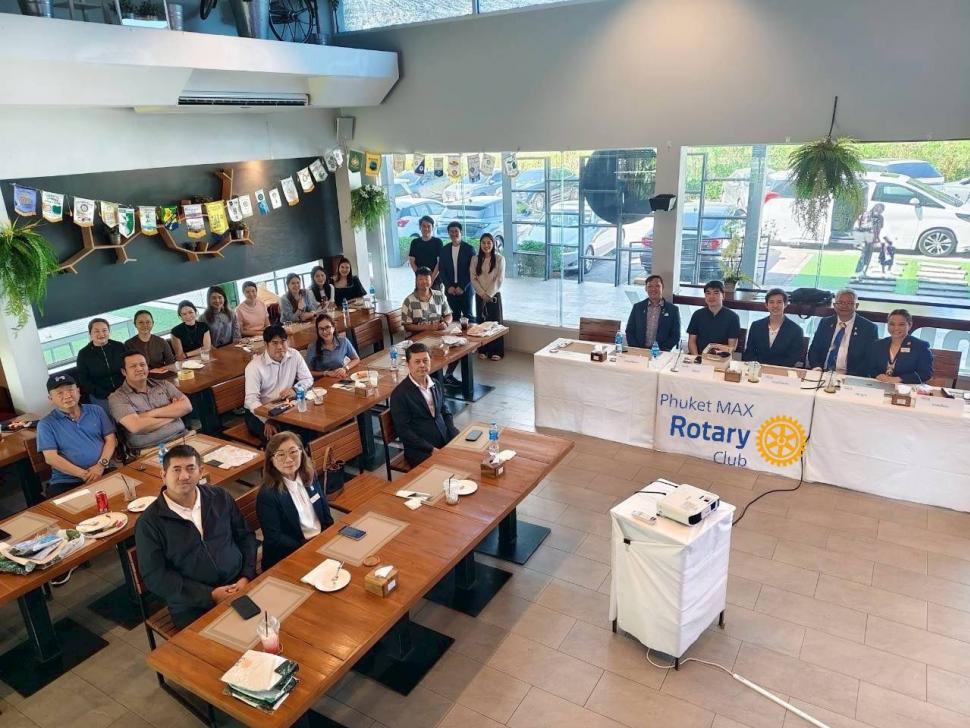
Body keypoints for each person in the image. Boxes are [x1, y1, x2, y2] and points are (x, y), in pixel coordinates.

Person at [134, 444, 256, 629]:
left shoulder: (220, 497)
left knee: (271, 626)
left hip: (239, 583)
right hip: (192, 604)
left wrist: (246, 575)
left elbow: (245, 536)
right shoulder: (149, 523)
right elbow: (156, 576)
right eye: (176, 469)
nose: (184, 476)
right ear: (163, 475)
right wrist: (210, 595)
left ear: (201, 471)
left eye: (190, 468)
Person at [256, 432, 334, 571]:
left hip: (319, 540)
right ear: (271, 460)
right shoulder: (267, 494)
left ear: (301, 452)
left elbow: (324, 509)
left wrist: (330, 535)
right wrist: (308, 548)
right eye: (281, 455)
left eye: (293, 452)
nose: (288, 460)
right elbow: (275, 538)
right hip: (291, 553)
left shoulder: (310, 474)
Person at [37, 373, 117, 496]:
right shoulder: (46, 424)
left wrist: (100, 466)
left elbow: (111, 440)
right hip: (67, 481)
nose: (67, 395)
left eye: (70, 390)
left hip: (103, 470)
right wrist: (85, 474)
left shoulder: (96, 410)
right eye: (60, 393)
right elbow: (51, 458)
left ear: (78, 391)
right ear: (50, 398)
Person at [389, 342, 458, 467]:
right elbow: (404, 431)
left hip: (444, 439)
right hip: (420, 450)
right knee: (451, 467)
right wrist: (431, 449)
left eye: (425, 361)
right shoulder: (399, 394)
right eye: (417, 362)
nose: (422, 365)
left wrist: (453, 434)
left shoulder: (436, 384)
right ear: (408, 365)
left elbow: (445, 411)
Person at [108, 349, 192, 450]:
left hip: (182, 437)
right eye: (133, 366)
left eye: (142, 364)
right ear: (124, 372)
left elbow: (187, 406)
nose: (139, 368)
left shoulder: (163, 384)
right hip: (149, 448)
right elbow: (136, 426)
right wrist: (173, 415)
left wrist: (147, 415)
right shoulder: (117, 397)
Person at [243, 324, 314, 442]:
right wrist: (267, 418)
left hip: (284, 406)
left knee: (309, 427)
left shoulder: (294, 355)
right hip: (259, 412)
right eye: (275, 343)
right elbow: (251, 400)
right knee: (278, 437)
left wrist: (295, 389)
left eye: (283, 342)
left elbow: (307, 379)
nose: (280, 347)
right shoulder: (254, 367)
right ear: (266, 344)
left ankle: (304, 453)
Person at [807, 288, 878, 375]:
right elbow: (814, 350)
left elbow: (870, 359)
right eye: (840, 302)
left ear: (856, 305)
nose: (844, 306)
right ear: (834, 305)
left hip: (851, 376)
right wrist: (817, 367)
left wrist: (850, 377)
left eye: (849, 303)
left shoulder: (869, 328)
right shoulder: (825, 323)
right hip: (823, 372)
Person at [868, 309, 933, 384]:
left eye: (901, 324)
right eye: (892, 324)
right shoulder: (877, 345)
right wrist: (877, 375)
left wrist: (900, 379)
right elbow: (870, 368)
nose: (896, 328)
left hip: (907, 387)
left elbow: (926, 374)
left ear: (910, 325)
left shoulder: (921, 346)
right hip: (880, 385)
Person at [742, 288, 804, 367]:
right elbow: (749, 353)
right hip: (757, 368)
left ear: (785, 304)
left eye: (779, 302)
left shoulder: (796, 330)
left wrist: (771, 368)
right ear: (766, 305)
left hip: (781, 370)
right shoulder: (756, 326)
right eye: (771, 302)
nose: (775, 306)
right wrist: (760, 366)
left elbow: (793, 358)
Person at [75, 318, 126, 412]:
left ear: (109, 331)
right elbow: (84, 381)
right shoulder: (83, 354)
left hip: (125, 390)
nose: (101, 334)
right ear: (90, 333)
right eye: (96, 331)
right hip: (100, 396)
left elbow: (129, 367)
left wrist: (126, 388)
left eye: (104, 330)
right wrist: (107, 394)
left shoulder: (119, 346)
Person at [470, 233, 506, 360]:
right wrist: (482, 293)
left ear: (493, 244)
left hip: (494, 295)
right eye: (484, 243)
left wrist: (488, 294)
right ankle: (483, 349)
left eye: (489, 243)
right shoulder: (475, 259)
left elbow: (499, 279)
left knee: (495, 323)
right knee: (481, 322)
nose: (486, 245)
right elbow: (473, 278)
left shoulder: (500, 259)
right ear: (480, 244)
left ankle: (497, 351)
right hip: (480, 295)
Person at [625, 274, 681, 351]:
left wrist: (659, 350)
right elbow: (629, 331)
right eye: (650, 286)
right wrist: (637, 349)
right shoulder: (637, 307)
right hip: (639, 351)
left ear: (662, 287)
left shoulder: (673, 310)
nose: (653, 289)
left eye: (657, 286)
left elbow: (675, 336)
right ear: (646, 289)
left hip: (661, 352)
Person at [686, 280, 741, 355]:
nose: (711, 296)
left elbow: (732, 346)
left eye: (716, 293)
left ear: (723, 295)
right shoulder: (697, 315)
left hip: (721, 357)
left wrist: (714, 356)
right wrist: (697, 357)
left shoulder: (733, 317)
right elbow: (691, 341)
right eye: (708, 293)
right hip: (698, 356)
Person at [304, 313, 360, 378]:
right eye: (321, 329)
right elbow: (307, 372)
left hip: (339, 377)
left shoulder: (343, 341)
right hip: (322, 381)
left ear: (333, 327)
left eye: (327, 327)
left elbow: (356, 359)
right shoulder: (312, 347)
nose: (324, 332)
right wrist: (326, 373)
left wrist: (345, 368)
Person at [401, 267, 453, 334]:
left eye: (426, 279)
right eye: (421, 279)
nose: (424, 282)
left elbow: (449, 315)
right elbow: (407, 326)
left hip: (437, 334)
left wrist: (446, 323)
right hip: (417, 337)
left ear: (431, 280)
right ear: (416, 281)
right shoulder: (409, 301)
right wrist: (427, 327)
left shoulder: (439, 295)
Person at [852, 203, 884, 282]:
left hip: (872, 239)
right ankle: (858, 273)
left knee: (868, 256)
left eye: (881, 209)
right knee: (862, 255)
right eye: (877, 208)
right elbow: (860, 226)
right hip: (864, 237)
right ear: (874, 207)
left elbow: (879, 229)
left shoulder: (881, 218)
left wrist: (877, 239)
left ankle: (864, 272)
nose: (879, 210)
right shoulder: (866, 215)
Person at [408, 215, 443, 289]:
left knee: (436, 296)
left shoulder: (438, 242)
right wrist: (420, 276)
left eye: (428, 226)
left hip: (435, 279)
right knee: (419, 296)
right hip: (420, 280)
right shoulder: (415, 242)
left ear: (432, 227)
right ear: (420, 227)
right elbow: (412, 261)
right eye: (423, 226)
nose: (426, 229)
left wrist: (431, 279)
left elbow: (440, 262)